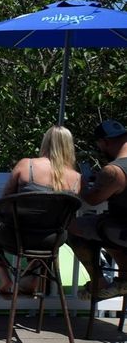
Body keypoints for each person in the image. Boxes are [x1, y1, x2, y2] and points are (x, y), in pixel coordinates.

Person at [0, 125, 82, 297]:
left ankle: (5, 279)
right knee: (50, 228)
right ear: (69, 146)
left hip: (16, 236)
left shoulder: (27, 165)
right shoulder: (77, 179)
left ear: (45, 143)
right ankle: (31, 276)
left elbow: (4, 201)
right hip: (51, 241)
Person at [68, 119, 127, 299]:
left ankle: (98, 283)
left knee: (74, 226)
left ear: (104, 142)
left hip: (123, 231)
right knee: (103, 227)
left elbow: (92, 200)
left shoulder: (113, 171)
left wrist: (83, 184)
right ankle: (124, 279)